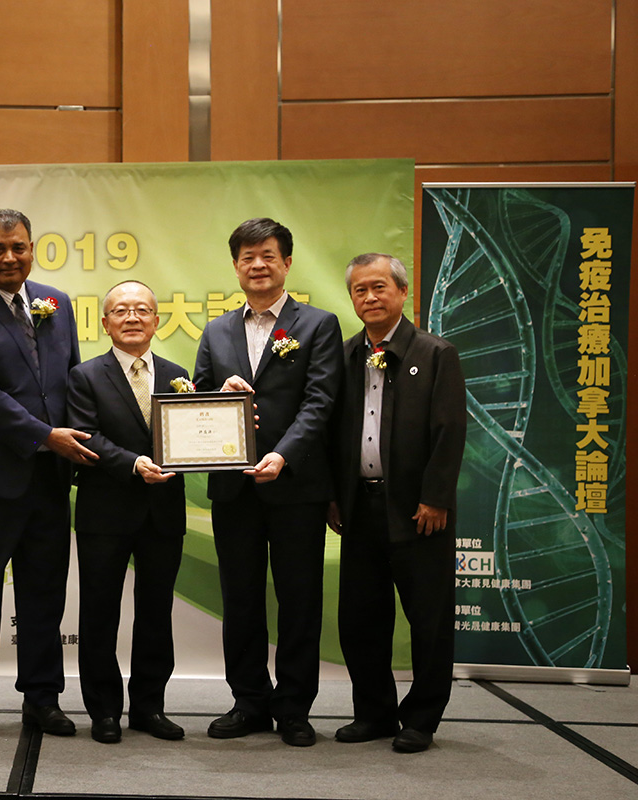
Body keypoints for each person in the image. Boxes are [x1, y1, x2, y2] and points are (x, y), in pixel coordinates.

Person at [0, 208, 97, 742]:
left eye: (19, 247)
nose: (10, 257)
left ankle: (42, 698)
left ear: (32, 249)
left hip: (49, 477)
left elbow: (72, 380)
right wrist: (47, 435)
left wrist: (79, 442)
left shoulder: (57, 302)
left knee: (44, 592)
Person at [193, 217, 342, 747]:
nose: (257, 265)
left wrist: (282, 454)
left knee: (299, 600)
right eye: (247, 257)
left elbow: (321, 401)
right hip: (234, 489)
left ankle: (294, 707)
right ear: (236, 266)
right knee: (240, 598)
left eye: (268, 256)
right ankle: (249, 701)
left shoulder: (318, 325)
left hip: (296, 486)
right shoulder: (216, 330)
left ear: (287, 263)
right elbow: (198, 405)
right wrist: (218, 396)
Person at [327, 253, 466, 753]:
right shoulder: (344, 356)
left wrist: (435, 497)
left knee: (428, 619)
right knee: (360, 618)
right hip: (359, 508)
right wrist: (334, 497)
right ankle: (374, 713)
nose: (370, 297)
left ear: (402, 292)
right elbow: (330, 433)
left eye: (379, 287)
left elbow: (450, 430)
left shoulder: (435, 353)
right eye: (360, 290)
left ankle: (421, 719)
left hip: (419, 511)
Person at [66, 280, 190, 744]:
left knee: (156, 613)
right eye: (121, 310)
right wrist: (134, 463)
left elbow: (193, 432)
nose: (132, 317)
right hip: (105, 512)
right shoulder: (85, 376)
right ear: (105, 323)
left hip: (163, 512)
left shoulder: (179, 374)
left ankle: (149, 708)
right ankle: (103, 711)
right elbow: (85, 436)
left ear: (157, 320)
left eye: (141, 310)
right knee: (100, 613)